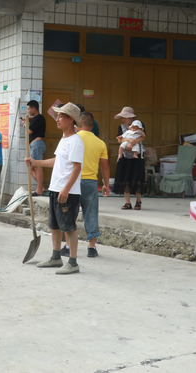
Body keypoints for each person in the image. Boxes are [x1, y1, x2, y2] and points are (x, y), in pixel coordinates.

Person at [26, 103, 84, 274]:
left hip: (68, 192)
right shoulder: (64, 139)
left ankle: (73, 262)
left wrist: (66, 189)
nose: (57, 119)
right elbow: (56, 161)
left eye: (60, 116)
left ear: (70, 119)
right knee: (55, 226)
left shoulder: (76, 141)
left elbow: (77, 168)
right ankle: (56, 257)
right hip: (55, 188)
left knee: (69, 227)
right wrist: (35, 162)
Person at [60, 111, 110, 258]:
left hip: (73, 181)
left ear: (79, 123)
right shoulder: (100, 143)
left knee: (70, 213)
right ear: (92, 125)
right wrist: (106, 184)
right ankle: (92, 247)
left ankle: (68, 245)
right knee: (91, 212)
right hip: (91, 182)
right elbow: (105, 167)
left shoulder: (73, 139)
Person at [114, 106, 146, 210]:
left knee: (137, 178)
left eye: (126, 117)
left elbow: (142, 137)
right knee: (125, 178)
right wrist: (128, 140)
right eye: (123, 117)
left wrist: (133, 143)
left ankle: (138, 201)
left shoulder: (139, 124)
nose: (124, 119)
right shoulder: (121, 127)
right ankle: (127, 202)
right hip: (125, 156)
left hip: (137, 155)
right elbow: (119, 139)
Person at [24, 100, 47, 196]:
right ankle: (41, 187)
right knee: (30, 167)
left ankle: (39, 189)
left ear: (34, 108)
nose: (28, 111)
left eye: (29, 109)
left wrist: (25, 124)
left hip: (37, 144)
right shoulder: (35, 119)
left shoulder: (39, 118)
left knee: (37, 167)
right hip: (35, 144)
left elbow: (29, 131)